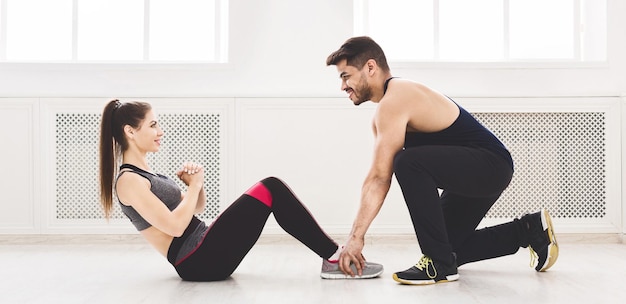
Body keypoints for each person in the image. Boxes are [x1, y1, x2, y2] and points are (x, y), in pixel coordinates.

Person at [325, 36, 558, 285]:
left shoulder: (395, 100)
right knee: (449, 248)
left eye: (345, 76)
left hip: (489, 164)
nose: (343, 86)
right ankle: (530, 230)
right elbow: (378, 176)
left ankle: (438, 265)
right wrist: (355, 237)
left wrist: (355, 238)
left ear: (370, 68)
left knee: (406, 162)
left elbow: (380, 178)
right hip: (479, 168)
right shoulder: (387, 108)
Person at [98, 99, 383, 281]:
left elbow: (195, 209)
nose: (160, 131)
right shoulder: (129, 181)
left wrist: (195, 186)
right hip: (195, 260)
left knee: (270, 189)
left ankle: (333, 256)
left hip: (201, 245)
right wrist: (195, 184)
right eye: (153, 124)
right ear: (130, 132)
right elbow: (174, 227)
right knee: (270, 187)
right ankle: (334, 257)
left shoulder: (149, 174)